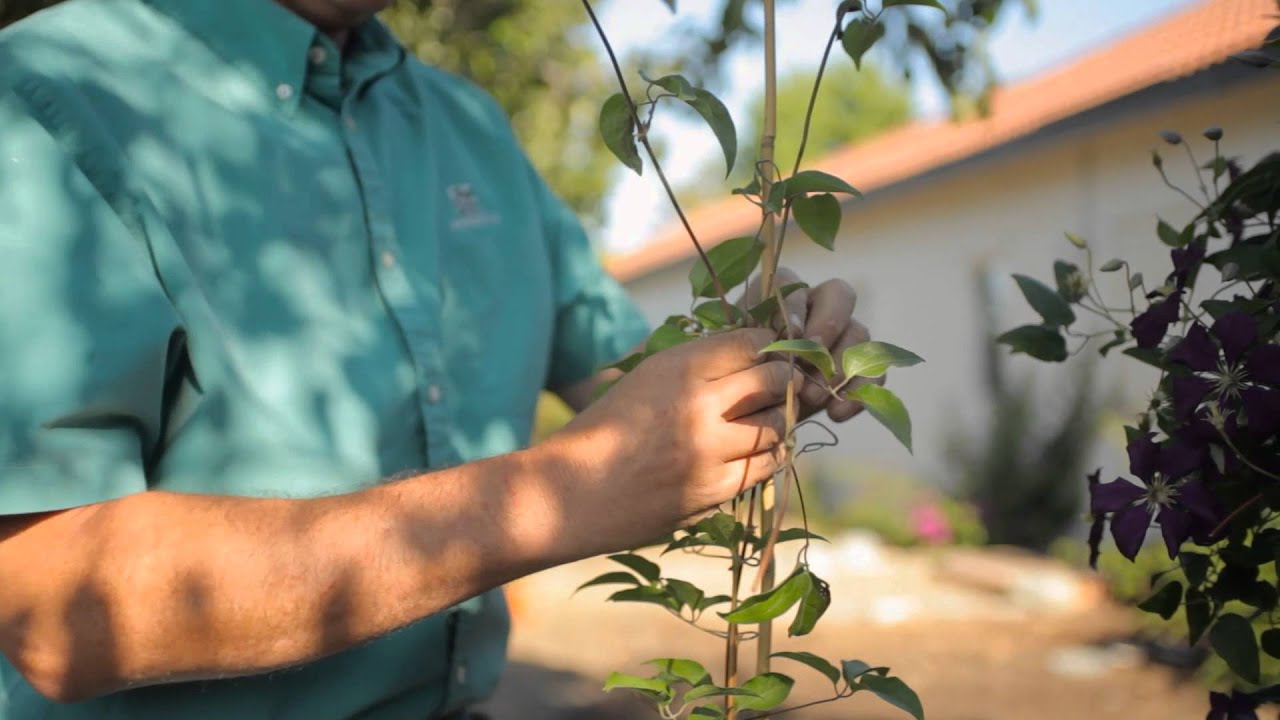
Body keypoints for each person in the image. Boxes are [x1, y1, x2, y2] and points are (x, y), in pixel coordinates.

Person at [0, 1, 876, 718]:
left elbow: (631, 375)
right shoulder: (48, 89)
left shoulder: (465, 126)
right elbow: (51, 603)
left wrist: (767, 349)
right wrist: (567, 490)